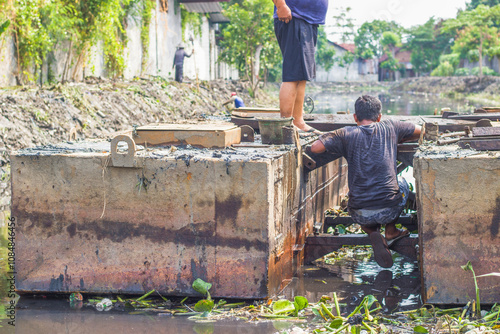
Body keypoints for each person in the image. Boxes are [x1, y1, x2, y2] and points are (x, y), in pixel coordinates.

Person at [309, 95, 422, 268]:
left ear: (355, 117)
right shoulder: (390, 126)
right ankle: (391, 230)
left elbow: (315, 148)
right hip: (390, 209)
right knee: (402, 184)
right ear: (379, 117)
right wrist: (399, 137)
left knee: (356, 201)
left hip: (360, 213)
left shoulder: (345, 133)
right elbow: (421, 130)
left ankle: (372, 232)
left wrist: (335, 135)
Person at [273, 0, 328, 134]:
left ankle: (298, 121)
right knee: (292, 75)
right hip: (294, 16)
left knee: (301, 75)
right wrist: (281, 5)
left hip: (307, 19)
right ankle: (286, 127)